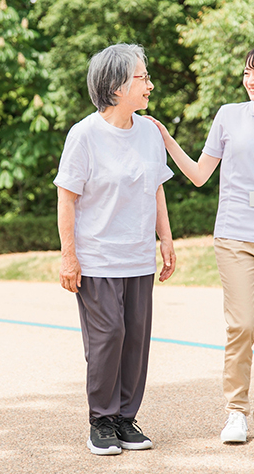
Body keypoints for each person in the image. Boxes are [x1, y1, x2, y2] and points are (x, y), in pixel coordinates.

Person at [146, 43, 254, 445]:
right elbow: (201, 175)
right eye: (247, 72)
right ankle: (236, 413)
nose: (250, 80)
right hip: (234, 237)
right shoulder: (228, 116)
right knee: (241, 326)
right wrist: (168, 140)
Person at [54, 43, 177, 456]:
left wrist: (167, 240)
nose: (150, 85)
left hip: (138, 257)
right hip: (99, 258)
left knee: (136, 339)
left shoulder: (149, 131)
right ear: (116, 85)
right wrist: (68, 256)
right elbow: (66, 198)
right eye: (142, 77)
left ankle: (126, 418)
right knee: (109, 336)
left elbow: (156, 187)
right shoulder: (85, 134)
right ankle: (101, 421)